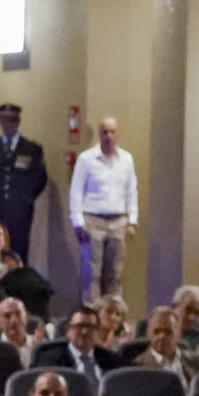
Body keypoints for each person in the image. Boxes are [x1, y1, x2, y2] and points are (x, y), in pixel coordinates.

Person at [69, 116, 138, 301]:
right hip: (93, 220)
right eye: (105, 132)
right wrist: (78, 222)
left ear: (117, 134)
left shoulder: (126, 159)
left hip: (118, 221)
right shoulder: (86, 159)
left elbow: (131, 190)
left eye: (112, 132)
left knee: (115, 272)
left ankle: (113, 313)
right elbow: (76, 191)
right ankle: (91, 313)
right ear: (99, 134)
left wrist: (132, 221)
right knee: (91, 272)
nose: (108, 136)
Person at [0, 103, 46, 262]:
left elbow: (40, 178)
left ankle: (19, 283)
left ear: (18, 122)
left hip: (20, 209)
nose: (8, 124)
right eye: (4, 120)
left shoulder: (31, 149)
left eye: (12, 120)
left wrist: (26, 197)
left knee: (20, 249)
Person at [33, 305, 123, 391]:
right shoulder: (49, 360)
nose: (85, 331)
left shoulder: (112, 359)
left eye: (90, 327)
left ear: (97, 331)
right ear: (68, 330)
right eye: (80, 326)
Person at [134, 305, 199, 387]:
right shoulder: (138, 366)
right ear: (148, 334)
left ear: (179, 334)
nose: (162, 336)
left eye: (168, 331)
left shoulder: (197, 361)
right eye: (157, 331)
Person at [0, 296, 38, 367]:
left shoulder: (39, 347)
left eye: (18, 314)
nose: (14, 320)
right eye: (7, 316)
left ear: (26, 317)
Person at [171, 285, 199, 351]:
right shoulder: (158, 327)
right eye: (188, 309)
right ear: (176, 306)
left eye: (197, 313)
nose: (192, 317)